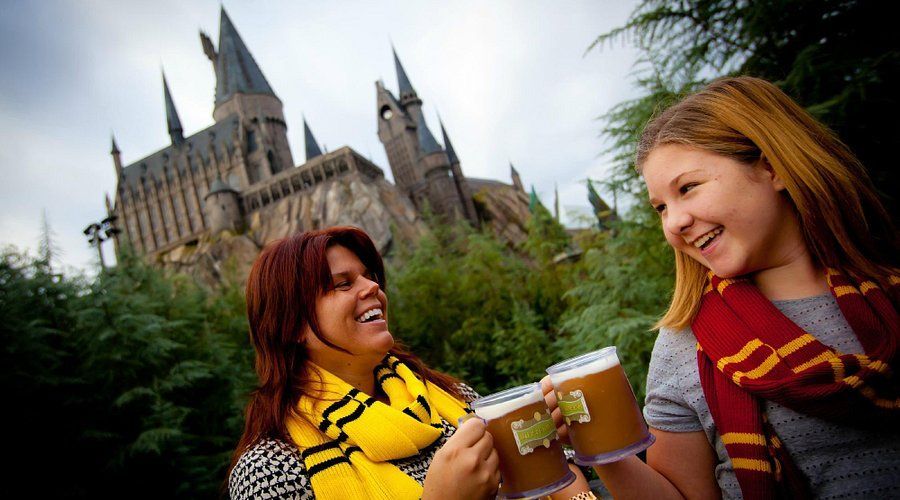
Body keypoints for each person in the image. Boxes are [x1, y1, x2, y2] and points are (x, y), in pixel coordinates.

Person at [544, 76, 899, 499]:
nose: (673, 222)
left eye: (687, 188)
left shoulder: (888, 289)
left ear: (772, 168)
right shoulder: (685, 346)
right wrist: (605, 449)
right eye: (661, 207)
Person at [228, 226, 591, 499]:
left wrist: (546, 457)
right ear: (291, 324)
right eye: (342, 284)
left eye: (368, 276)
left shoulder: (450, 397)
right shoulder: (270, 468)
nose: (371, 287)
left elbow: (549, 488)